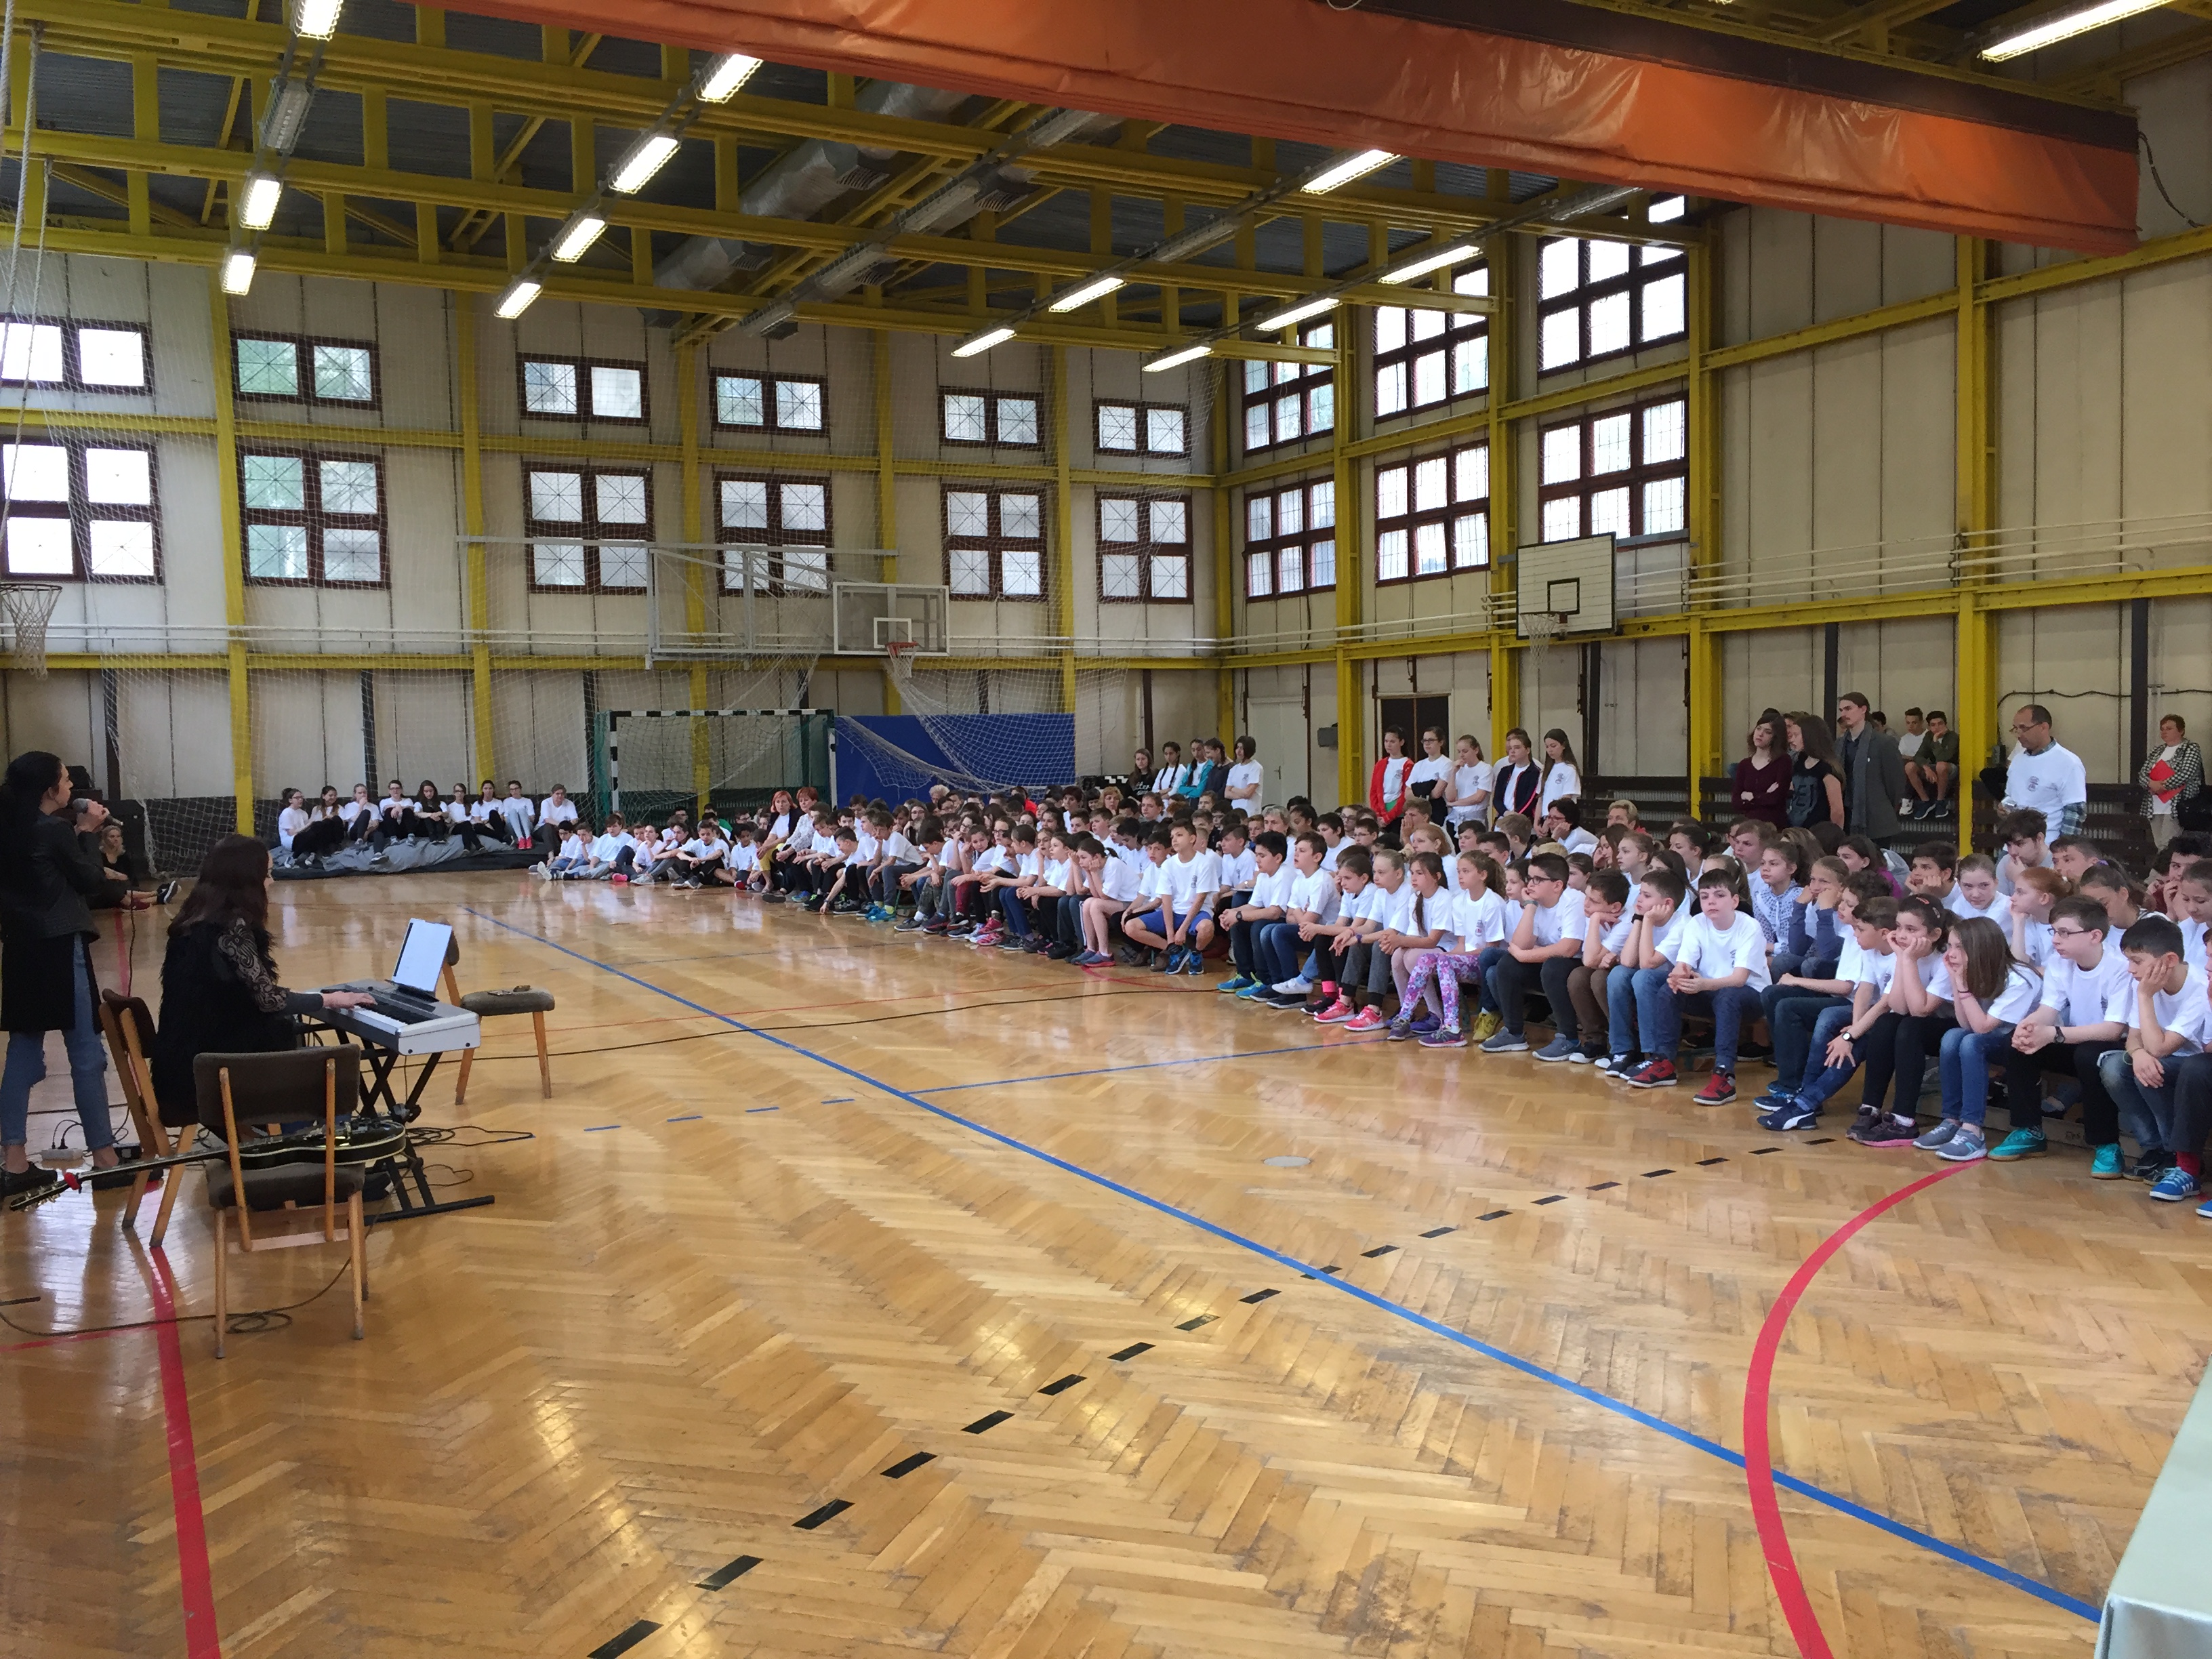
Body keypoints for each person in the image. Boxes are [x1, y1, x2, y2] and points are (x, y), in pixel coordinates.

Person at [146, 835, 377, 1121]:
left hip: (180, 1068)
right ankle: (305, 1143)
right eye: (267, 874)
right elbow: (268, 999)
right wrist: (329, 999)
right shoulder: (231, 929)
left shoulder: (191, 920)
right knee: (335, 1080)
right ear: (246, 881)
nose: (271, 882)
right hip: (213, 1077)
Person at [0, 756, 128, 1197]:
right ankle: (105, 1157)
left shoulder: (11, 829)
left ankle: (14, 1161)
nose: (72, 786)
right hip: (59, 948)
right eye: (66, 779)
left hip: (20, 950)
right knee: (86, 1052)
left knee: (23, 1051)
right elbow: (88, 878)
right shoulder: (54, 830)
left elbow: (49, 879)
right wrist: (88, 833)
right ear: (49, 789)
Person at [1989, 894, 2131, 1168]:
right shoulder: (2059, 962)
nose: (2055, 940)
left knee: (2089, 1056)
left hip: (2115, 1047)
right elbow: (2049, 1008)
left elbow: (2113, 1030)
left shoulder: (2120, 968)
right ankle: (2029, 1130)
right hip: (2074, 1039)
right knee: (2018, 1044)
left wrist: (2053, 1034)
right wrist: (2029, 1026)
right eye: (2054, 932)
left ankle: (2107, 1145)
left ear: (2095, 936)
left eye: (2065, 933)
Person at [2097, 916, 2212, 1199]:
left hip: (2188, 1063)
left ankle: (2176, 1155)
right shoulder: (2143, 982)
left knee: (2155, 1070)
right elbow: (2134, 1038)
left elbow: (2161, 1048)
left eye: (2137, 961)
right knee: (2115, 1066)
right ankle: (2155, 1149)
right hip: (2162, 1056)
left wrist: (2145, 997)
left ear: (2169, 960)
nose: (2130, 969)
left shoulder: (2198, 987)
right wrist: (2138, 1054)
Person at [1483, 852, 1586, 1057]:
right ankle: (1514, 1033)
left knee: (1553, 967)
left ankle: (1569, 1039)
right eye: (1529, 878)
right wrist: (1530, 907)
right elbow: (1520, 945)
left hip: (1577, 965)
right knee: (1507, 965)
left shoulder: (1573, 900)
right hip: (1550, 963)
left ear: (1557, 885)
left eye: (1537, 879)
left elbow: (1568, 948)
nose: (1530, 884)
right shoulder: (1537, 902)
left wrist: (1524, 955)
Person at [1993, 704, 2088, 838]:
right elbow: (2011, 796)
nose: (2019, 735)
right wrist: (2004, 809)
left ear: (2043, 727)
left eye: (2024, 728)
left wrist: (2063, 846)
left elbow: (2074, 811)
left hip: (2047, 843)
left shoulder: (2068, 763)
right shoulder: (2017, 760)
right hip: (2014, 842)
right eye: (2015, 729)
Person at [1834, 692, 1910, 844]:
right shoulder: (1839, 744)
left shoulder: (1884, 743)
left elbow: (1895, 783)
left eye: (1849, 708)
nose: (1844, 714)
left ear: (1863, 709)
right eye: (1841, 710)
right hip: (1847, 815)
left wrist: (1882, 804)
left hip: (1877, 818)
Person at [2139, 715, 2204, 851]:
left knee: (2168, 846)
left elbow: (2186, 773)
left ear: (2181, 731)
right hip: (2155, 805)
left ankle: (2163, 865)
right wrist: (2151, 784)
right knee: (2159, 844)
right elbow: (2143, 773)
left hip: (2176, 805)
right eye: (2162, 729)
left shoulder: (2190, 748)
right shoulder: (2157, 751)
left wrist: (2161, 786)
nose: (2164, 732)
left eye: (2169, 729)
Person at [1783, 712, 1845, 829]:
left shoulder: (1826, 768)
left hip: (1819, 830)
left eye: (1796, 735)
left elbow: (1837, 811)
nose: (1791, 740)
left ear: (1809, 736)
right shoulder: (1799, 763)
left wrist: (1835, 834)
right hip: (1797, 828)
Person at [1732, 708, 1791, 827]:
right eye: (1758, 728)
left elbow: (1776, 798)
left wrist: (1751, 797)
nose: (1760, 734)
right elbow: (1736, 802)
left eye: (1768, 732)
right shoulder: (1744, 765)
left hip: (1773, 826)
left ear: (1775, 737)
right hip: (1749, 825)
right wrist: (1764, 795)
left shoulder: (1783, 761)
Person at [1905, 710, 1959, 819]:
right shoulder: (1929, 735)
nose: (1937, 727)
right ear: (1929, 727)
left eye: (1940, 724)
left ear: (1945, 724)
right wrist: (1927, 768)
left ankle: (1940, 801)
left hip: (1951, 768)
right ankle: (1926, 801)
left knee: (1941, 765)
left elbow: (1944, 758)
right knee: (1909, 766)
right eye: (1933, 725)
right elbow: (1919, 756)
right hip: (1934, 767)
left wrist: (1935, 741)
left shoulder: (1953, 736)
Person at [1443, 735, 1492, 834]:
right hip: (1455, 819)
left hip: (1474, 820)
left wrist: (1455, 803)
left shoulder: (1485, 769)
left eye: (1465, 751)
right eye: (1459, 752)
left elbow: (1478, 797)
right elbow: (1450, 797)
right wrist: (1453, 773)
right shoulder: (1459, 769)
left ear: (1476, 750)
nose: (1461, 755)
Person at [1368, 727, 1413, 830]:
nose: (1388, 745)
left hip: (1397, 812)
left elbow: (1405, 793)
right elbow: (1374, 791)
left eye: (1392, 742)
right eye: (1386, 741)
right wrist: (1377, 814)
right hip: (1380, 811)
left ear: (1401, 742)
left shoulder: (1408, 765)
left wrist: (1389, 817)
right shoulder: (1380, 764)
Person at [1537, 731, 1581, 818]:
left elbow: (1566, 798)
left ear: (1563, 745)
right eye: (1547, 747)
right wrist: (1536, 821)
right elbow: (1541, 798)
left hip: (1559, 817)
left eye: (1553, 746)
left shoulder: (1569, 769)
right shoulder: (1545, 770)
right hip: (1545, 817)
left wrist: (1553, 818)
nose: (1550, 750)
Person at [1223, 736, 1263, 813]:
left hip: (1250, 810)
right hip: (1235, 810)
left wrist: (1233, 789)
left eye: (1242, 748)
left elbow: (1248, 793)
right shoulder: (1233, 769)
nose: (1238, 751)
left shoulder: (1256, 767)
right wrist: (1241, 793)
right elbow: (1227, 794)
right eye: (1237, 747)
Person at [274, 787, 311, 854]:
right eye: (297, 798)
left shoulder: (303, 813)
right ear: (290, 800)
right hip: (290, 841)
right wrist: (308, 824)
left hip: (302, 837)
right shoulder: (286, 813)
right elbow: (291, 833)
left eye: (301, 797)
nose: (300, 800)